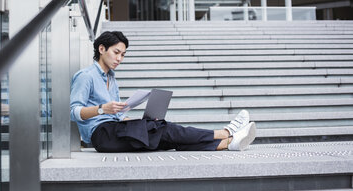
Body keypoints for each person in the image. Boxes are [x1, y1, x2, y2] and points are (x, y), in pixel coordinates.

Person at [70, 31, 256, 152]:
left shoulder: (111, 78)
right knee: (164, 130)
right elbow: (72, 113)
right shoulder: (86, 76)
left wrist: (137, 121)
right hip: (102, 135)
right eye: (116, 52)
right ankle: (225, 132)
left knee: (165, 136)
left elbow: (116, 116)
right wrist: (102, 109)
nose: (120, 58)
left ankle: (229, 144)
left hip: (115, 129)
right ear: (101, 49)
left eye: (123, 55)